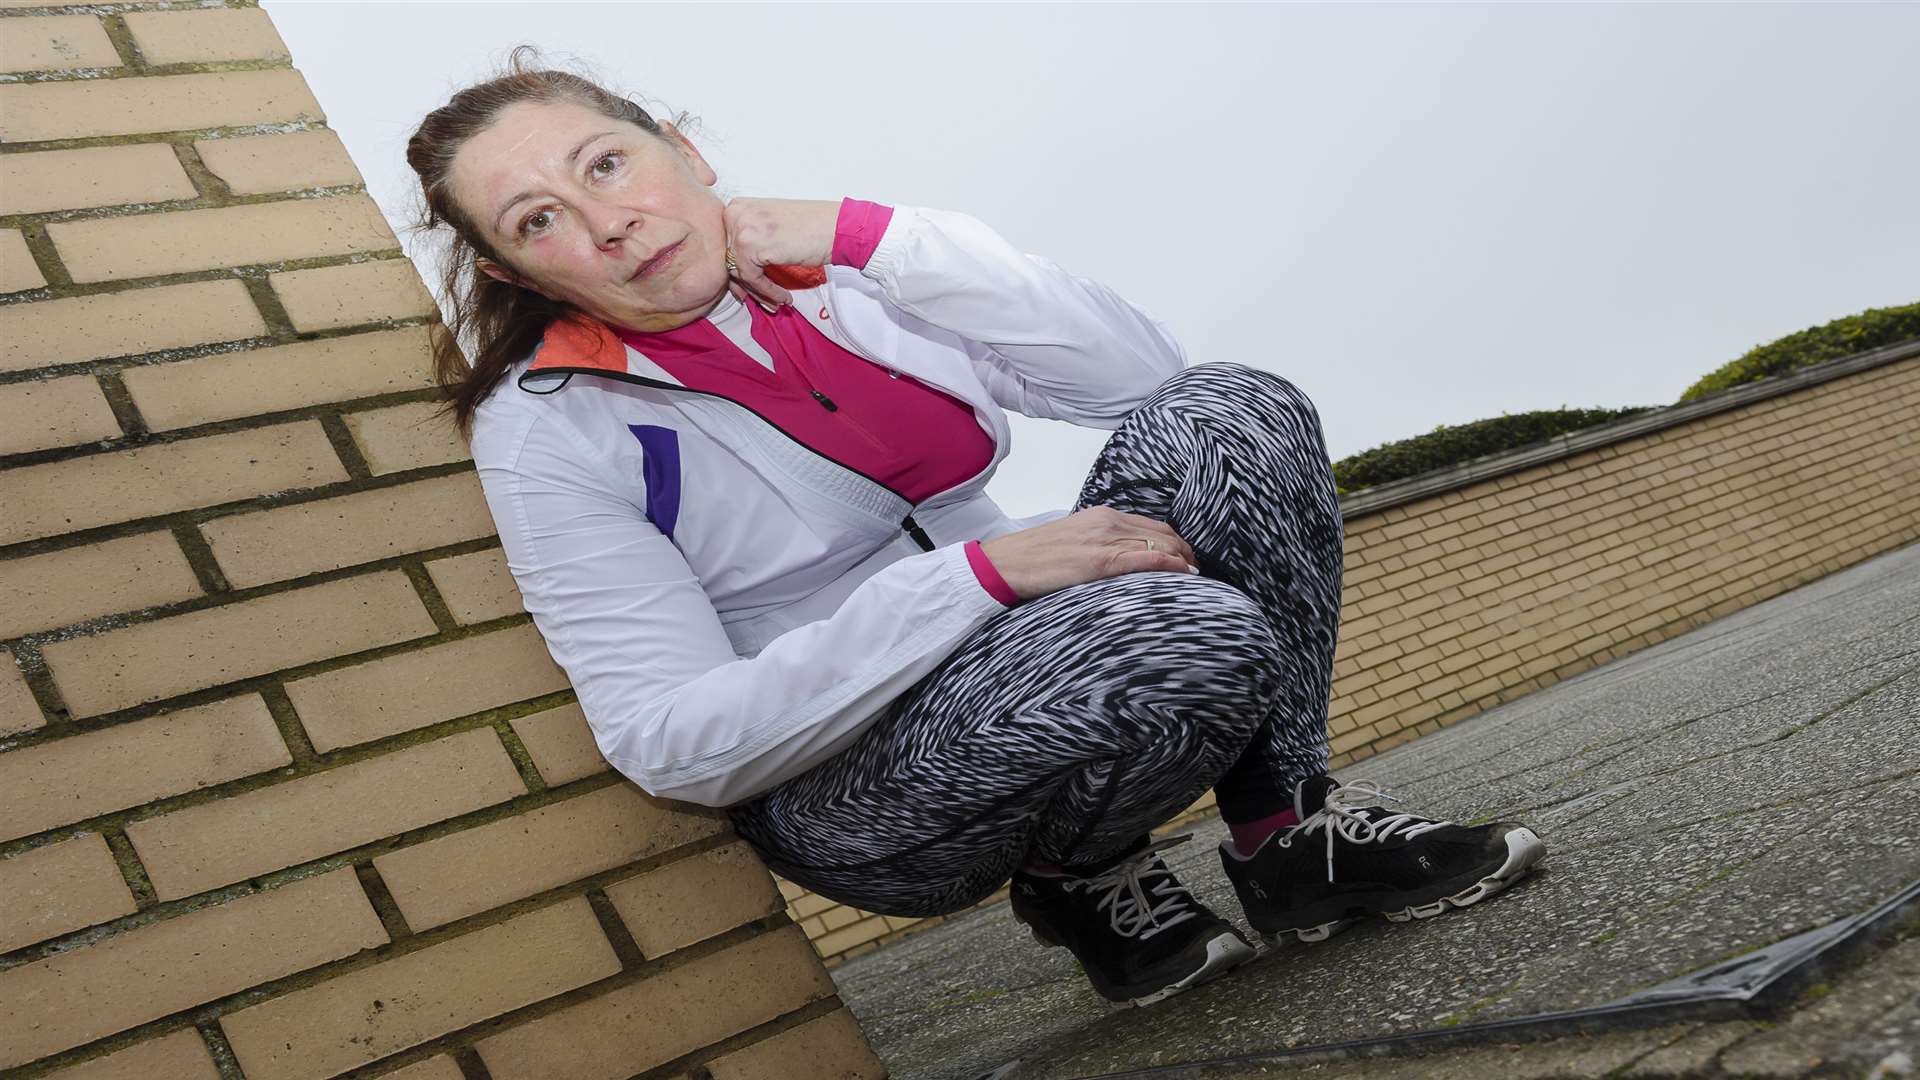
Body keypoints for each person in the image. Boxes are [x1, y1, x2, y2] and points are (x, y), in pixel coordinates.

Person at [406, 47, 1547, 1009]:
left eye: (608, 164)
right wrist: (978, 576)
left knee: (1229, 407)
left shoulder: (841, 278)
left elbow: (1142, 379)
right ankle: (1081, 872)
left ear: (683, 151)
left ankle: (1288, 838)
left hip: (1045, 655)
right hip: (858, 794)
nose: (609, 224)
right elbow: (671, 741)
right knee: (1173, 629)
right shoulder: (551, 430)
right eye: (542, 218)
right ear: (518, 271)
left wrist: (878, 235)